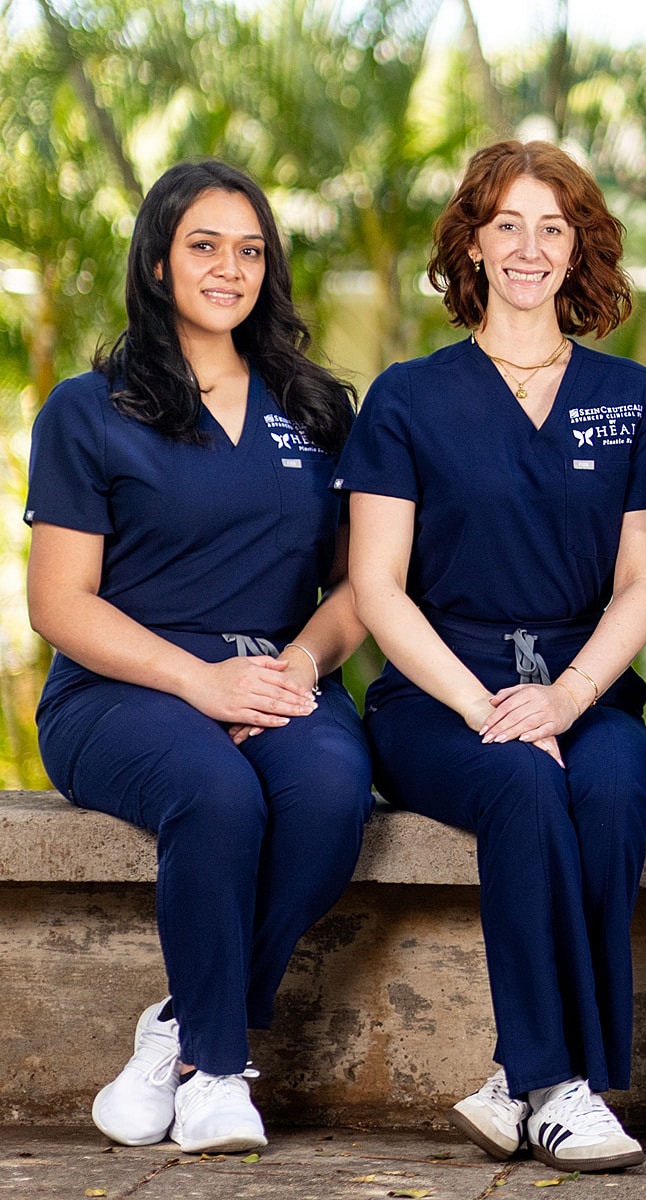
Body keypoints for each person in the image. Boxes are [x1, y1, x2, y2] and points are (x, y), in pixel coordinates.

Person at [339, 141, 646, 1173]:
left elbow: (641, 584)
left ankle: (519, 1078)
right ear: (473, 245)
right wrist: (490, 707)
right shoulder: (407, 397)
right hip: (437, 699)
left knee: (618, 794)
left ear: (579, 249)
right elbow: (377, 587)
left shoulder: (633, 397)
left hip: (587, 692)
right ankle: (567, 1086)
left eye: (553, 227)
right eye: (507, 226)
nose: (529, 247)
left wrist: (566, 697)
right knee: (525, 785)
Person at [25, 160, 371, 1155]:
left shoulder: (314, 408)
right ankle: (220, 1073)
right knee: (217, 795)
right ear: (159, 260)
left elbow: (357, 588)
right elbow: (57, 603)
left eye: (250, 249)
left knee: (328, 799)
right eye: (204, 246)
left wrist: (301, 664)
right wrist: (198, 681)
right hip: (119, 688)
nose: (230, 268)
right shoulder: (88, 411)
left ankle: (180, 1024)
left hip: (277, 671)